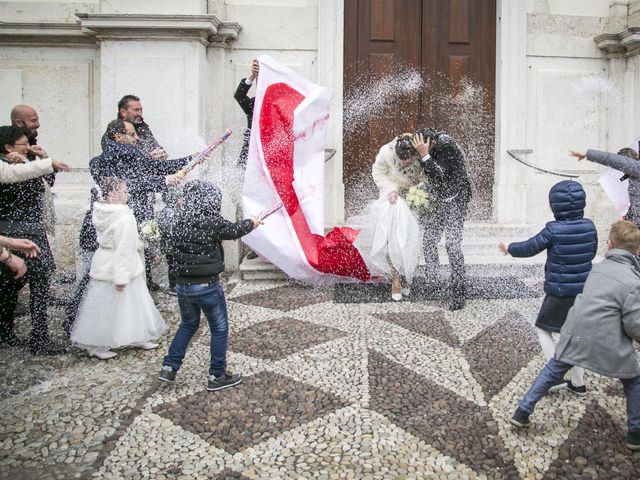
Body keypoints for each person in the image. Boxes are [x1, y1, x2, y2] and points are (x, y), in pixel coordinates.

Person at [510, 220, 640, 451]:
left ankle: (523, 410)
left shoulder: (597, 269)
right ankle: (635, 433)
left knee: (552, 371)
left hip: (575, 332)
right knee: (633, 382)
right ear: (637, 250)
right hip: (609, 341)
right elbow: (633, 324)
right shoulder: (634, 282)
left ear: (609, 246)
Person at [158, 180, 261, 391]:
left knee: (187, 325)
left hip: (183, 286)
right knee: (219, 328)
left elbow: (168, 251)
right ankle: (217, 375)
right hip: (207, 286)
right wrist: (252, 223)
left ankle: (169, 367)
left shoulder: (178, 221)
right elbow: (233, 231)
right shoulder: (211, 221)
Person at [499, 180, 598, 394]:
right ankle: (579, 384)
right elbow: (591, 252)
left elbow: (530, 247)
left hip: (560, 292)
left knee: (543, 329)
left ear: (555, 206)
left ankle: (554, 375)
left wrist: (510, 248)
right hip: (584, 293)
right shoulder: (590, 226)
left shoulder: (553, 229)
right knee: (575, 336)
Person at [70, 177, 166, 360]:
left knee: (127, 303)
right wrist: (120, 277)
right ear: (112, 195)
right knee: (109, 306)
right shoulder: (124, 217)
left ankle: (137, 335)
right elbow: (123, 249)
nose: (126, 194)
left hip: (104, 261)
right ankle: (97, 343)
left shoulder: (101, 212)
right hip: (122, 265)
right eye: (123, 191)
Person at [91, 119, 190, 291]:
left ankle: (140, 289)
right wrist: (165, 181)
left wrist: (189, 159)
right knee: (117, 262)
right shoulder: (111, 159)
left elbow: (157, 167)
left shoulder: (130, 155)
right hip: (122, 218)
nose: (137, 138)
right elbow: (131, 183)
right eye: (131, 134)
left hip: (134, 216)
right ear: (118, 137)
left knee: (136, 257)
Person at [0, 126, 65, 354]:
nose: (27, 147)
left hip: (22, 230)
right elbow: (26, 181)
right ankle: (39, 337)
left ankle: (6, 331)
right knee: (38, 283)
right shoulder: (8, 169)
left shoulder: (24, 164)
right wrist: (31, 165)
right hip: (24, 232)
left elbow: (47, 182)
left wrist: (42, 158)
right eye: (23, 144)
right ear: (8, 147)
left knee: (13, 283)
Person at [411, 129, 472, 310]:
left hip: (456, 199)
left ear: (431, 143)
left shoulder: (447, 146)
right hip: (439, 199)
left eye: (420, 148)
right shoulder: (430, 144)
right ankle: (433, 282)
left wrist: (424, 154)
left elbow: (439, 174)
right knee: (429, 240)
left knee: (452, 244)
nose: (418, 152)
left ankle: (459, 290)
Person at [363, 134, 426, 301]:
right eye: (401, 160)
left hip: (415, 198)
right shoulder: (385, 152)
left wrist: (420, 190)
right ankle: (396, 278)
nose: (405, 163)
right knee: (393, 240)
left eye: (408, 160)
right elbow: (378, 172)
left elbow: (427, 174)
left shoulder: (421, 151)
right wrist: (391, 189)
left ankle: (407, 276)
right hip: (393, 199)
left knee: (411, 240)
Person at [570, 148, 640, 225]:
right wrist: (627, 218)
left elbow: (613, 159)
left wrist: (588, 154)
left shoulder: (636, 168)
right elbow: (636, 203)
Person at [101, 95, 167, 159]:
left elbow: (155, 146)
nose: (139, 114)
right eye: (136, 110)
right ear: (123, 112)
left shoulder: (143, 128)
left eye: (141, 110)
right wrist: (148, 157)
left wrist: (160, 153)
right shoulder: (113, 132)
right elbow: (119, 157)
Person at [234, 59, 259, 169]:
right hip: (248, 157)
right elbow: (239, 96)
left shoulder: (276, 106)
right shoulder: (254, 104)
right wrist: (252, 76)